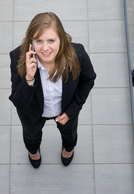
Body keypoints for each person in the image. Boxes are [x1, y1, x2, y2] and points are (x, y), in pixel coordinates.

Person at [9, 12, 96, 168]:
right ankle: (33, 151)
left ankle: (68, 148)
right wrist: (29, 77)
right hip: (33, 113)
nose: (45, 48)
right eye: (39, 41)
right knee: (31, 136)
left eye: (51, 40)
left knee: (69, 134)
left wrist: (71, 110)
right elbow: (18, 102)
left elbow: (88, 80)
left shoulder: (78, 55)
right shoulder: (18, 58)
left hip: (65, 109)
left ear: (61, 40)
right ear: (31, 42)